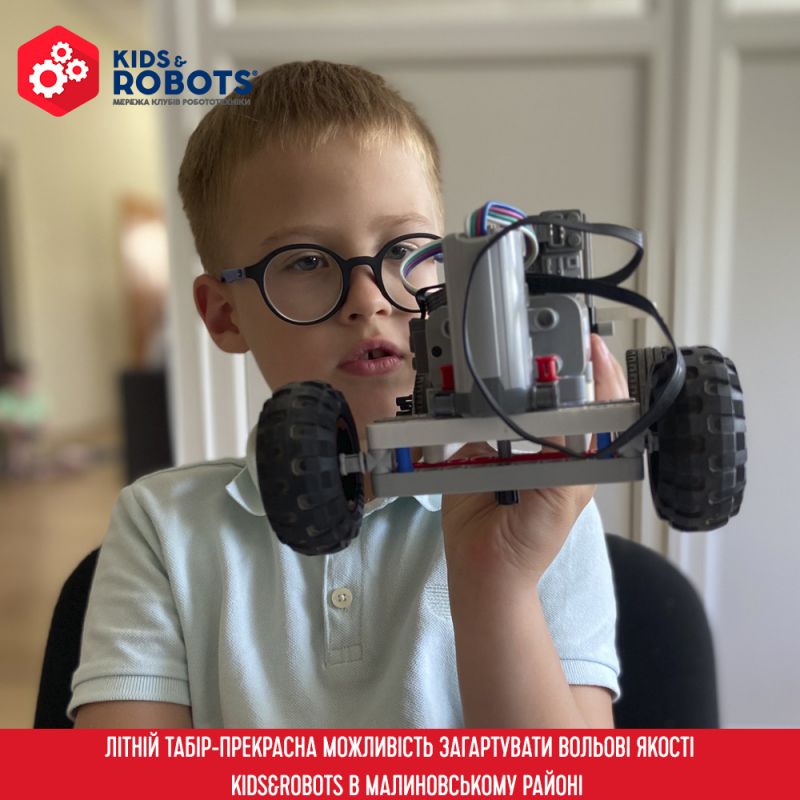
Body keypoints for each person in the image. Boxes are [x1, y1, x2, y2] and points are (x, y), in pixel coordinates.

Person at [70, 61, 628, 729]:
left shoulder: (542, 500)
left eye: (403, 250)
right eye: (306, 261)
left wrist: (497, 581)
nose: (368, 299)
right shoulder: (163, 529)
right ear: (224, 314)